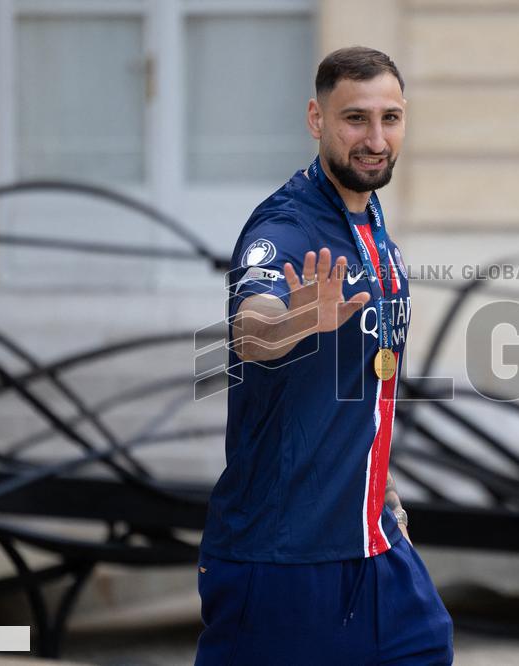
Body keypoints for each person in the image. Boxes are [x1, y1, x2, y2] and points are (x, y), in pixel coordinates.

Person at [194, 47, 454, 665]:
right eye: (354, 119)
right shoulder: (285, 228)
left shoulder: (370, 219)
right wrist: (302, 319)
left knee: (427, 646)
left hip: (372, 545)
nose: (375, 138)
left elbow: (360, 377)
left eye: (390, 118)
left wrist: (377, 480)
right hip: (282, 559)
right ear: (316, 119)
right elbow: (250, 331)